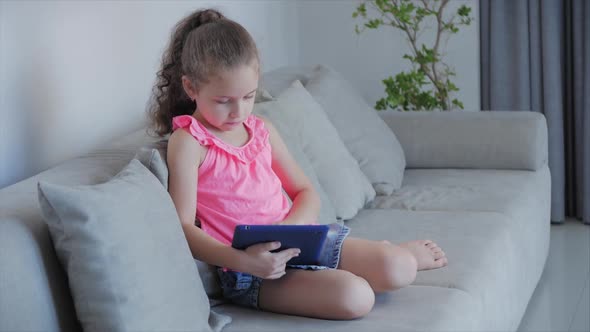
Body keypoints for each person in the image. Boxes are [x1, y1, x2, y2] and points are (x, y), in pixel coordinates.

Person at [148, 8, 448, 320]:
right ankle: (363, 266)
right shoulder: (189, 143)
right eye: (224, 101)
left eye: (249, 96)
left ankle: (393, 255)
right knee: (356, 297)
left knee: (400, 268)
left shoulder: (261, 130)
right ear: (191, 88)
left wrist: (289, 230)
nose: (239, 112)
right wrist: (246, 262)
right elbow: (182, 228)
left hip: (303, 241)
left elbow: (306, 192)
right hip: (251, 272)